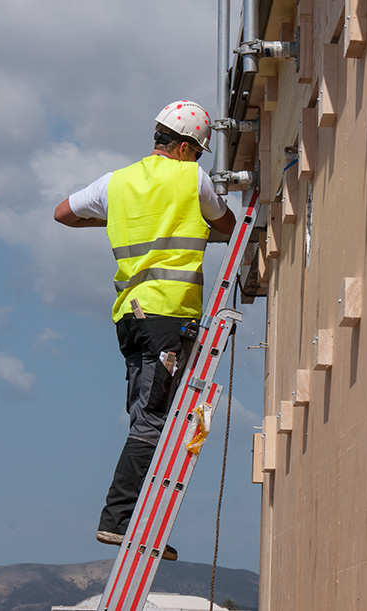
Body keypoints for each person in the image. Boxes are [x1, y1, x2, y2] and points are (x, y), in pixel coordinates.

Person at [54, 100, 236, 561]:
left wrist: (115, 218)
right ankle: (117, 521)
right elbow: (229, 225)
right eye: (195, 152)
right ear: (181, 147)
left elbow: (63, 213)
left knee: (145, 416)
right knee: (156, 421)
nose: (196, 161)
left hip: (130, 318)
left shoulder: (115, 182)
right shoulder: (191, 178)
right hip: (168, 318)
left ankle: (139, 525)